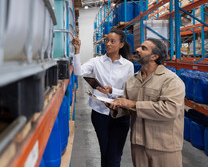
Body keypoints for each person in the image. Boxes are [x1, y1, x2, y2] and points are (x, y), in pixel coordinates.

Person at [109, 38, 185, 167]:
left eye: (143, 48)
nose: (137, 49)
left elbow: (170, 110)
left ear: (154, 56)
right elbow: (127, 107)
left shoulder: (171, 80)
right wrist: (116, 107)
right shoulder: (132, 80)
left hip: (164, 146)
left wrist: (132, 104)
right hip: (138, 144)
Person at [71, 29, 134, 167]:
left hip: (120, 114)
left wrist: (112, 90)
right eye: (107, 40)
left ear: (121, 45)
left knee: (114, 155)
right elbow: (78, 71)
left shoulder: (128, 66)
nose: (108, 44)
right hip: (100, 113)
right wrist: (77, 50)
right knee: (105, 151)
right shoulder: (96, 61)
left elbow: (130, 91)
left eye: (113, 41)